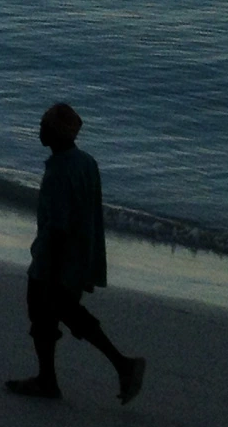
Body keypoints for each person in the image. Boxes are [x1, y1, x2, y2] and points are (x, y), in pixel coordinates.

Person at [8, 103, 147, 403]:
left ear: (56, 133)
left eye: (44, 126)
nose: (39, 130)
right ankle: (115, 366)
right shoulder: (86, 162)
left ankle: (109, 367)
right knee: (66, 313)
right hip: (79, 256)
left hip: (55, 259)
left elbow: (58, 227)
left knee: (44, 312)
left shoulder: (59, 171)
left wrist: (53, 271)